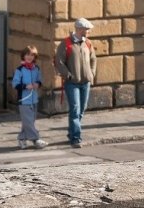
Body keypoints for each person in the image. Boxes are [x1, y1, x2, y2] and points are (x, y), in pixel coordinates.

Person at [55, 18, 96, 148]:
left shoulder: (88, 44)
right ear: (79, 29)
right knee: (75, 109)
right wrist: (67, 74)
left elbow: (93, 59)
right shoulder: (66, 44)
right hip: (72, 82)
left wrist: (92, 73)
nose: (88, 32)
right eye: (87, 29)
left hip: (85, 82)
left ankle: (72, 131)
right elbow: (59, 61)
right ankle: (76, 137)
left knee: (81, 110)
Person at [12, 45, 48, 150]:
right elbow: (15, 84)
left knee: (29, 121)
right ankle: (36, 139)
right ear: (23, 56)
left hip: (34, 99)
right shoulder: (19, 70)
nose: (30, 57)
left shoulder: (36, 68)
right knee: (28, 121)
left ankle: (22, 139)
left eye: (32, 55)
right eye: (28, 54)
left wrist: (38, 84)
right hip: (23, 100)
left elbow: (39, 80)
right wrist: (25, 86)